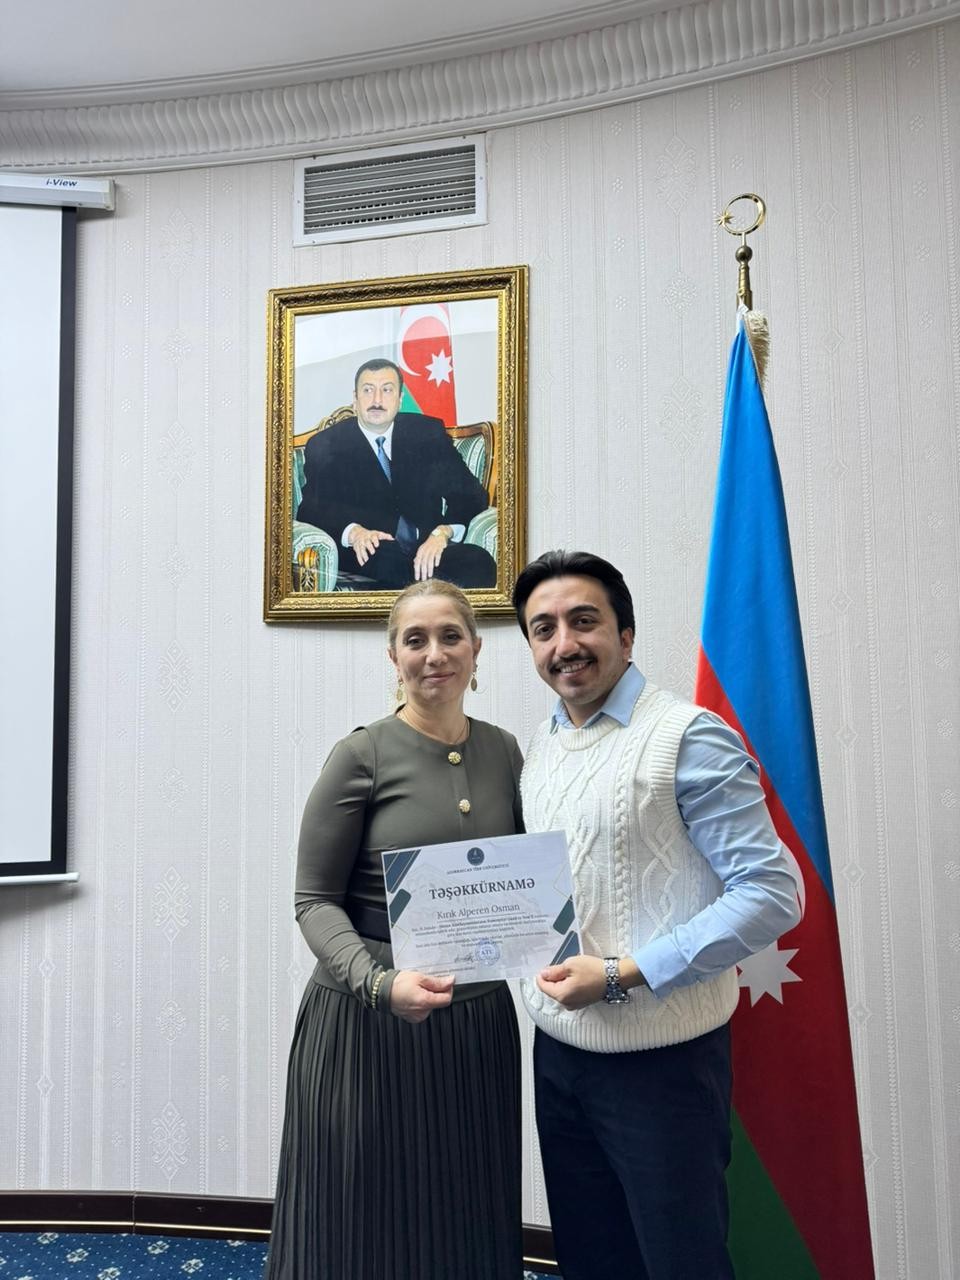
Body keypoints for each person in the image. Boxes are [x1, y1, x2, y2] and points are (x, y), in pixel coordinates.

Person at [511, 550, 802, 1280]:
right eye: (543, 629)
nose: (564, 644)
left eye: (584, 621)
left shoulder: (687, 735)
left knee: (680, 1263)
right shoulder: (543, 744)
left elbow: (772, 891)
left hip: (663, 1069)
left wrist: (622, 973)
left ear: (626, 634)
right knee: (592, 1259)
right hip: (559, 1057)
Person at [265, 579, 523, 1280]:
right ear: (393, 657)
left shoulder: (506, 752)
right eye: (416, 639)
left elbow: (524, 884)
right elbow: (314, 901)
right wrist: (380, 985)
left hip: (475, 1026)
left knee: (465, 1207)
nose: (434, 654)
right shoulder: (361, 755)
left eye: (450, 636)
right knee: (353, 1219)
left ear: (476, 650)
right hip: (365, 1026)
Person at [297, 358, 497, 588]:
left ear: (400, 398)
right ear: (355, 399)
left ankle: (428, 596)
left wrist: (442, 533)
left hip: (428, 549)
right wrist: (354, 533)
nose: (377, 400)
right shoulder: (327, 444)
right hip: (371, 552)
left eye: (387, 390)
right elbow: (311, 510)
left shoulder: (427, 434)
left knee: (478, 562)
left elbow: (470, 495)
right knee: (387, 562)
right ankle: (426, 597)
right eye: (368, 390)